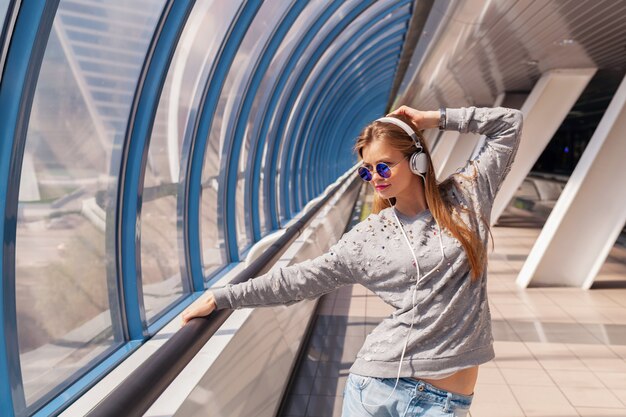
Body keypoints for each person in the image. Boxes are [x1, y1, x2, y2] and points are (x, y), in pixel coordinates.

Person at [181, 105, 524, 417]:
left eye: (384, 165)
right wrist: (222, 297)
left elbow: (510, 123)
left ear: (417, 160)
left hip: (446, 404)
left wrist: (432, 119)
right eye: (367, 171)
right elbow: (299, 280)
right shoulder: (368, 237)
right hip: (376, 389)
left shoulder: (465, 198)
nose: (376, 177)